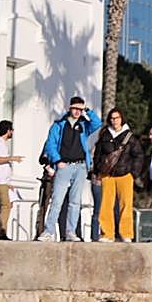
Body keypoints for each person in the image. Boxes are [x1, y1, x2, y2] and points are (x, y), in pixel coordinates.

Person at [37, 96, 101, 242]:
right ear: (70, 108)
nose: (78, 112)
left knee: (75, 202)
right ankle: (48, 231)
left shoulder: (84, 125)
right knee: (57, 200)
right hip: (63, 166)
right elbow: (51, 144)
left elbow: (98, 123)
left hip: (80, 167)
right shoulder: (59, 125)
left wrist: (88, 110)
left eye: (80, 109)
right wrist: (57, 161)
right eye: (75, 108)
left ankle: (71, 231)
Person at [93, 108, 144, 243]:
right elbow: (98, 154)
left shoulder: (130, 137)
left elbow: (139, 155)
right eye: (112, 118)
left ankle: (126, 233)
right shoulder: (105, 136)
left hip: (125, 175)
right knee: (105, 205)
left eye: (117, 118)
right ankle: (106, 234)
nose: (114, 121)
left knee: (125, 205)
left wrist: (133, 173)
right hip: (107, 175)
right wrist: (98, 169)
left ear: (122, 119)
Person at [0, 120, 22, 240]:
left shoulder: (3, 144)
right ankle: (1, 231)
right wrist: (12, 158)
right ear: (8, 131)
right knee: (5, 205)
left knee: (3, 205)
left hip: (4, 181)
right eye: (12, 130)